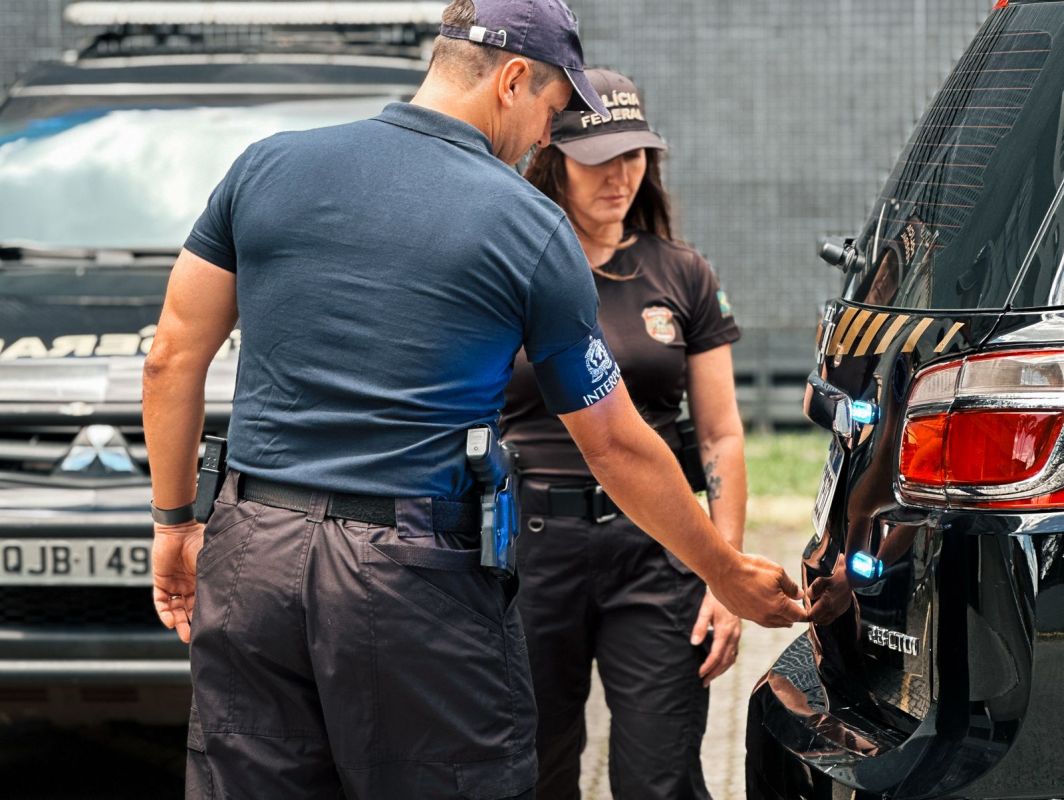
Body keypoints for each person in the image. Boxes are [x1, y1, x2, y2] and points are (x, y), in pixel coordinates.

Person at [143, 1, 807, 797]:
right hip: (408, 576)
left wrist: (176, 521)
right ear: (514, 79)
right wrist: (725, 571)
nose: (542, 139)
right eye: (552, 113)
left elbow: (172, 358)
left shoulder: (265, 166)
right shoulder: (525, 226)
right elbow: (615, 443)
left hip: (251, 550)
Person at [501, 68, 745, 799]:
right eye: (597, 156)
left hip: (658, 547)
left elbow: (721, 437)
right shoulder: (512, 270)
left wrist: (723, 574)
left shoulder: (682, 273)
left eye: (634, 153)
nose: (620, 174)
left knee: (661, 775)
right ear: (553, 158)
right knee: (532, 768)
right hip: (532, 549)